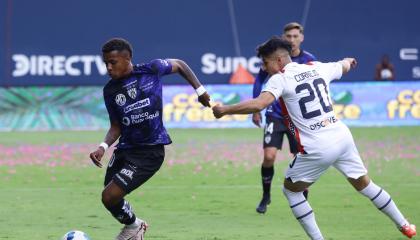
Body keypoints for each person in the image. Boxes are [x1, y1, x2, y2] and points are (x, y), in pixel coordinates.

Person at [212, 37, 416, 239]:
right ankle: (405, 225)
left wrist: (224, 110)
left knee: (291, 191)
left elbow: (259, 104)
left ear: (280, 60)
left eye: (266, 63)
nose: (264, 68)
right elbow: (343, 66)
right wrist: (348, 61)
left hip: (318, 146)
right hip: (342, 137)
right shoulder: (316, 67)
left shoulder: (280, 78)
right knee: (365, 185)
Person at [89, 38, 211, 240]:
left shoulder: (151, 70)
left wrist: (200, 90)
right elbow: (116, 126)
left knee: (109, 195)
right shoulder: (110, 90)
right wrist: (102, 147)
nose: (108, 68)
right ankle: (135, 226)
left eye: (113, 62)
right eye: (106, 64)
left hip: (149, 152)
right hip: (125, 149)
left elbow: (180, 65)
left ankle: (133, 227)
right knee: (109, 198)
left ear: (127, 58)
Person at [252, 22, 316, 214]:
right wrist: (256, 109)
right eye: (288, 36)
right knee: (269, 156)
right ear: (284, 38)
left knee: (301, 158)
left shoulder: (309, 59)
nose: (292, 39)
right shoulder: (273, 59)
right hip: (276, 115)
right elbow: (259, 81)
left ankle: (303, 199)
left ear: (301, 38)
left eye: (296, 36)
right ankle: (266, 196)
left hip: (298, 118)